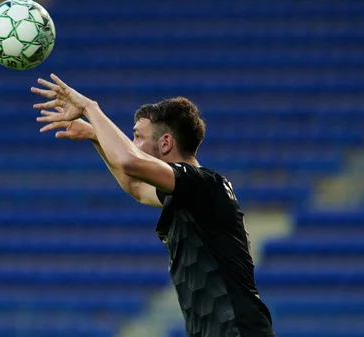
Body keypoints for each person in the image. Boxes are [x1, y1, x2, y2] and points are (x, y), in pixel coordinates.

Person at [31, 74, 276, 337]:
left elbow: (129, 161)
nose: (132, 144)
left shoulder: (204, 183)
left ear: (166, 143)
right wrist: (95, 135)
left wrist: (90, 108)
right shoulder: (189, 192)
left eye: (137, 137)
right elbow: (134, 186)